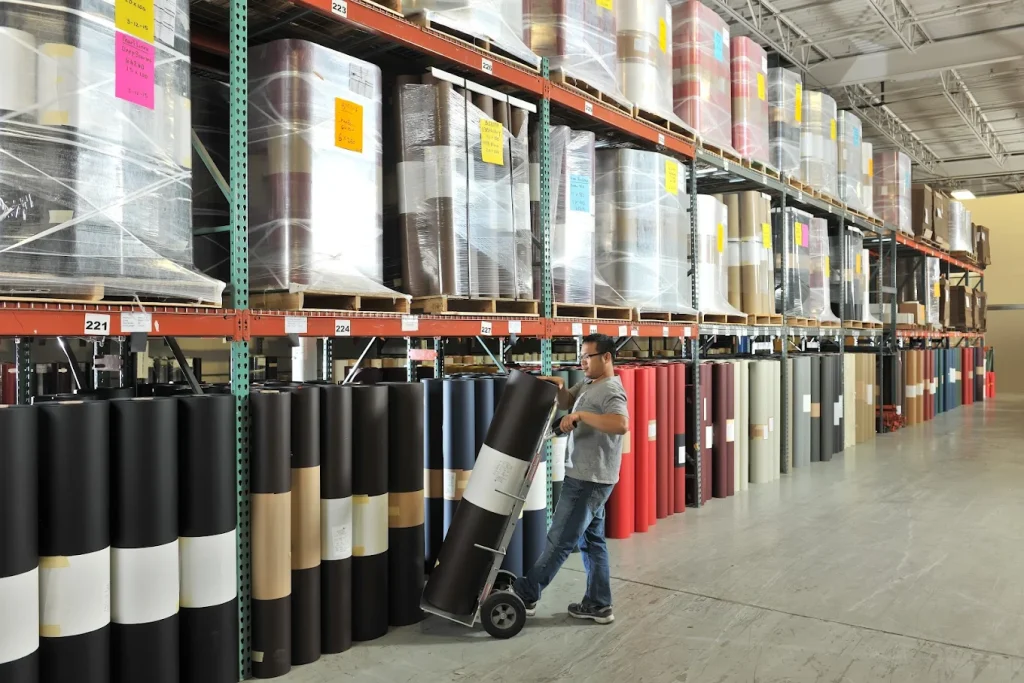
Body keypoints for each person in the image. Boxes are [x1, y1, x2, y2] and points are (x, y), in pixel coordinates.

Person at [514, 333, 628, 624]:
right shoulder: (590, 384)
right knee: (593, 542)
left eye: (588, 356)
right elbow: (568, 400)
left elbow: (620, 424)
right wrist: (561, 387)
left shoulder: (611, 390)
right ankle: (599, 604)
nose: (583, 362)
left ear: (606, 357)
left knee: (560, 539)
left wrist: (582, 418)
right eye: (582, 357)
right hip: (593, 476)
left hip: (588, 479)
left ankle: (526, 595)